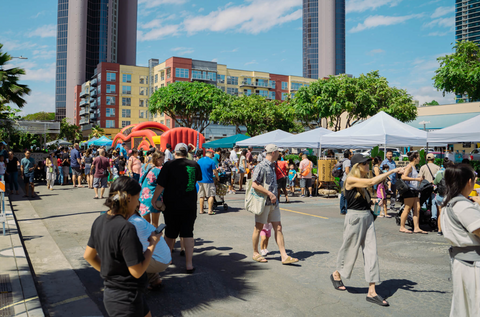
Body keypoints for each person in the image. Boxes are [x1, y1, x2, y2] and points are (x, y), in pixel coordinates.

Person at [330, 154, 404, 306]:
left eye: (368, 163)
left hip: (367, 217)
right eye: (364, 163)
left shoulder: (362, 183)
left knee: (371, 252)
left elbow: (368, 187)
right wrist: (392, 171)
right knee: (350, 250)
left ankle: (372, 291)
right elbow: (371, 181)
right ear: (357, 166)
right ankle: (337, 274)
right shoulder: (350, 179)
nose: (367, 165)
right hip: (355, 218)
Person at [83, 177, 162, 317]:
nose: (138, 203)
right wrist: (152, 245)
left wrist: (109, 273)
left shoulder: (99, 220)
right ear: (129, 198)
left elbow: (88, 255)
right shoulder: (126, 228)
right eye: (138, 198)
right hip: (126, 299)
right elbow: (137, 271)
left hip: (116, 293)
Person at [151, 143, 202, 274]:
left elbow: (161, 185)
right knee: (188, 233)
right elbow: (196, 182)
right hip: (189, 204)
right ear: (186, 152)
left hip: (171, 204)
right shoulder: (194, 165)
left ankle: (168, 260)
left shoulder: (168, 165)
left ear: (175, 152)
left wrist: (154, 199)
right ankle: (189, 264)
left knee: (170, 233)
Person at [440, 164, 480, 316]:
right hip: (473, 264)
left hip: (462, 261)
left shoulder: (448, 202)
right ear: (469, 182)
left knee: (463, 307)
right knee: (475, 306)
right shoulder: (463, 206)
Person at [251, 144, 298, 265]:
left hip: (273, 202)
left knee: (278, 227)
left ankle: (284, 256)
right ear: (273, 153)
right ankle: (255, 252)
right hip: (263, 202)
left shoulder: (273, 165)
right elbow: (254, 184)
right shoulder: (261, 166)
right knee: (258, 227)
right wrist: (269, 193)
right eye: (278, 152)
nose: (279, 154)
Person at [400, 152, 428, 234]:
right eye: (418, 157)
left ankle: (416, 227)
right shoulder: (409, 166)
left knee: (417, 208)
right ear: (414, 158)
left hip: (415, 190)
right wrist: (416, 179)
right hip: (410, 190)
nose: (419, 159)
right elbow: (403, 177)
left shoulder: (414, 167)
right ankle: (402, 227)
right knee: (407, 208)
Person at [139, 152, 165, 227]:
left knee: (146, 223)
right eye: (162, 160)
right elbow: (161, 185)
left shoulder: (143, 166)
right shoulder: (158, 170)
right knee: (154, 223)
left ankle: (146, 238)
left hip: (143, 196)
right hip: (154, 197)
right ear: (157, 159)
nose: (163, 162)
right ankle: (154, 238)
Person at [434, 159, 455, 236]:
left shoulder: (440, 174)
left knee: (440, 213)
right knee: (450, 214)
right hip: (449, 196)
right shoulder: (453, 175)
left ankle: (439, 230)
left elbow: (434, 182)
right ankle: (449, 230)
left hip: (440, 196)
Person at [419, 153, 441, 224]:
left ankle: (424, 215)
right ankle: (433, 218)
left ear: (426, 159)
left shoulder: (423, 167)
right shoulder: (438, 168)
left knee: (425, 201)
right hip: (434, 187)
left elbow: (420, 178)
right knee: (434, 203)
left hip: (425, 187)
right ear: (433, 159)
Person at [197, 149, 219, 215]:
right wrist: (218, 178)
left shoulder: (199, 160)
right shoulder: (211, 161)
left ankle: (201, 210)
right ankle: (210, 210)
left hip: (200, 180)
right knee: (211, 195)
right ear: (210, 154)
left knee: (201, 195)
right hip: (208, 181)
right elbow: (215, 172)